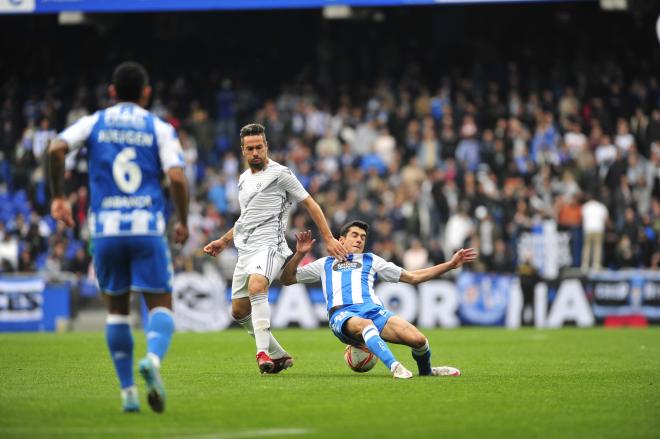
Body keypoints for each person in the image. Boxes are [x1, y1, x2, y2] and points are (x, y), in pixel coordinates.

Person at [48, 61, 189, 413]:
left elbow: (55, 148)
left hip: (106, 230)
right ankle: (152, 361)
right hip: (146, 228)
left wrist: (59, 196)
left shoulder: (95, 121)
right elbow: (177, 178)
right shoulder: (158, 127)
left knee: (117, 311)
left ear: (112, 92)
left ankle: (127, 394)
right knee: (160, 304)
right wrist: (182, 219)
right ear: (146, 93)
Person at [203, 123, 347, 374]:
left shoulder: (282, 174)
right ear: (243, 151)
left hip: (271, 246)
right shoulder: (243, 179)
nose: (255, 152)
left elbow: (310, 204)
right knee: (238, 311)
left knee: (257, 286)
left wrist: (328, 237)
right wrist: (224, 240)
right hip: (245, 249)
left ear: (266, 146)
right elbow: (246, 218)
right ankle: (279, 355)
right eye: (250, 148)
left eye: (259, 146)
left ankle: (262, 354)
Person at [280, 221, 478, 379]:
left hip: (374, 311)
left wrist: (450, 265)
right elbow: (287, 279)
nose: (359, 240)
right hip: (343, 314)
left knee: (420, 341)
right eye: (355, 235)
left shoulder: (372, 260)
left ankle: (427, 372)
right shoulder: (325, 264)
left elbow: (412, 277)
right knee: (366, 325)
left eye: (363, 237)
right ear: (341, 240)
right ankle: (395, 367)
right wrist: (299, 254)